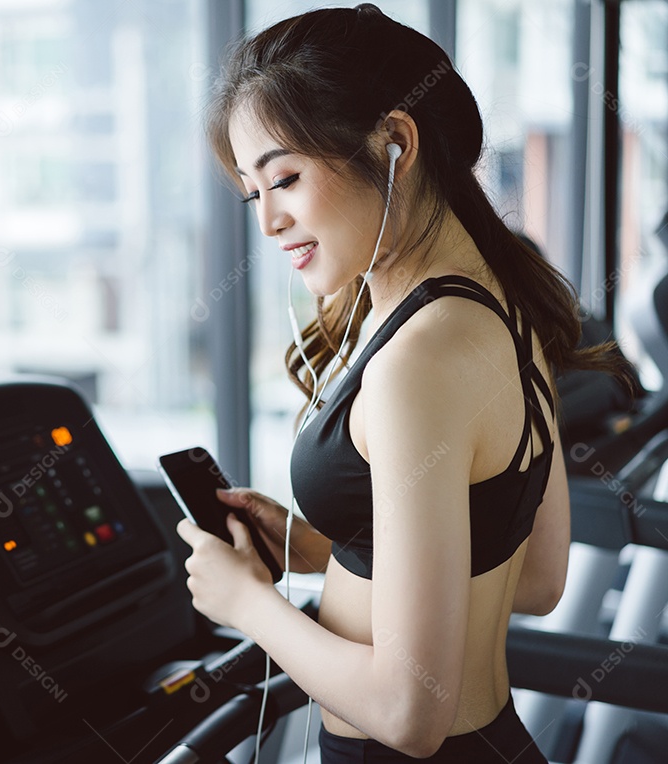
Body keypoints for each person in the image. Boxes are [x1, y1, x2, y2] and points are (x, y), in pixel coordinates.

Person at [175, 5, 636, 762]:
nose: (268, 224)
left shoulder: (413, 362)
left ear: (395, 142)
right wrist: (329, 548)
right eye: (253, 195)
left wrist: (246, 603)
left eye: (284, 178)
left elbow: (408, 710)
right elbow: (535, 577)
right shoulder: (502, 313)